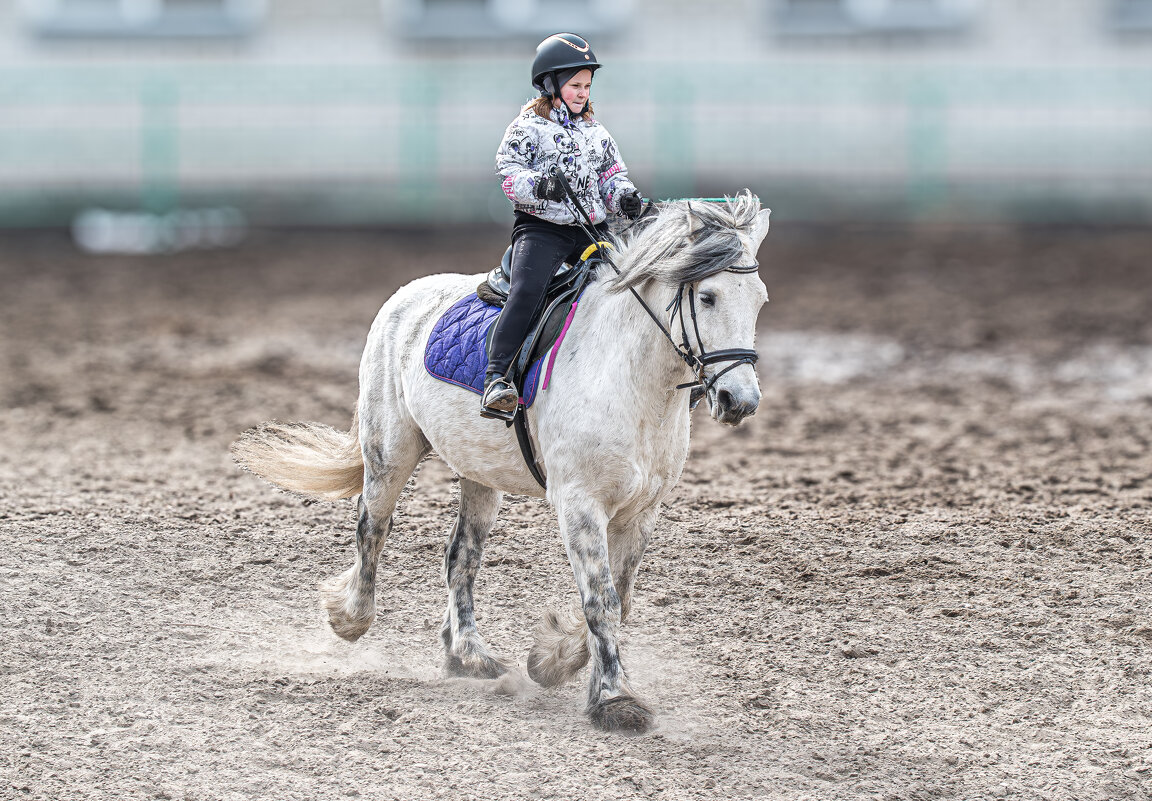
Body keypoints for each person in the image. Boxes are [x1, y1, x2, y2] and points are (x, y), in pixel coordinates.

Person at [481, 32, 645, 419]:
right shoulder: (525, 129)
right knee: (527, 290)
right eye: (575, 85)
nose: (582, 92)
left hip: (592, 231)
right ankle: (496, 378)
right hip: (543, 229)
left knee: (633, 287)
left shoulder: (597, 133)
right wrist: (540, 185)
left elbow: (612, 176)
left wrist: (624, 197)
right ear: (550, 85)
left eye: (587, 85)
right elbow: (508, 175)